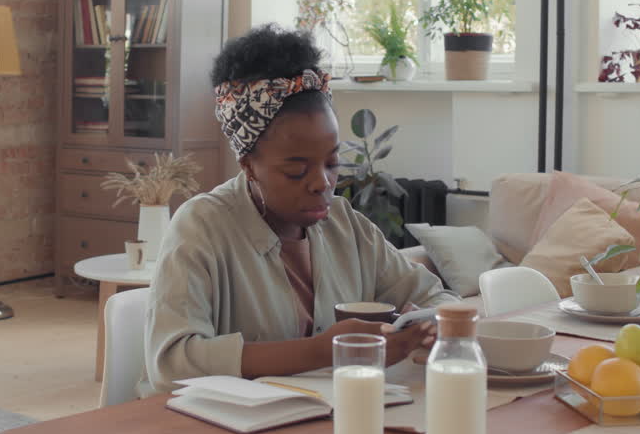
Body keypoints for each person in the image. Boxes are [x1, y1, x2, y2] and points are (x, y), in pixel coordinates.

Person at [141, 24, 458, 397]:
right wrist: (323, 351)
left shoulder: (345, 224)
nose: (322, 183)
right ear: (248, 165)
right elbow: (171, 363)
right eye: (296, 170)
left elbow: (436, 299)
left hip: (325, 422)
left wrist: (431, 327)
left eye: (333, 162)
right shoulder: (202, 227)